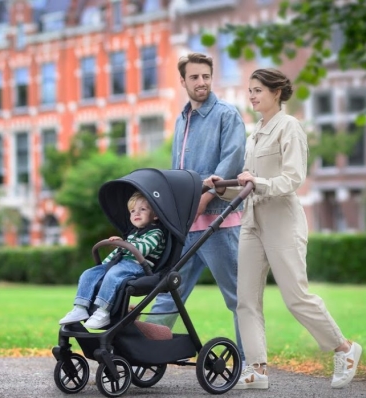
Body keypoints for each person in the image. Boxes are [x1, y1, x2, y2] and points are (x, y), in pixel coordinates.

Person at [204, 68, 362, 390]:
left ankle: (344, 349)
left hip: (282, 222)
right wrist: (223, 188)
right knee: (246, 299)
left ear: (277, 92)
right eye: (249, 90)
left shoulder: (289, 128)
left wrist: (255, 182)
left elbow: (293, 179)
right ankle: (257, 368)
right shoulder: (255, 133)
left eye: (258, 89)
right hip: (252, 221)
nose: (251, 95)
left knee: (296, 297)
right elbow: (247, 184)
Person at [145, 52, 246, 360]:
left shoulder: (227, 115)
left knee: (239, 299)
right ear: (183, 81)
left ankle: (249, 361)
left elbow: (230, 163)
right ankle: (146, 354)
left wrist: (202, 200)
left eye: (205, 76)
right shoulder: (182, 118)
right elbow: (178, 170)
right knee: (167, 293)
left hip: (219, 224)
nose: (201, 82)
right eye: (194, 77)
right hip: (186, 225)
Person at [59, 191, 165, 330]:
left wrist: (125, 244)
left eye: (142, 209)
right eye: (132, 211)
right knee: (89, 274)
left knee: (113, 274)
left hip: (138, 267)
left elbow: (143, 249)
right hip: (120, 265)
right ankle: (80, 307)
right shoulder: (133, 233)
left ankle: (103, 311)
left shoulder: (156, 233)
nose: (136, 214)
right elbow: (118, 253)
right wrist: (104, 265)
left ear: (155, 215)